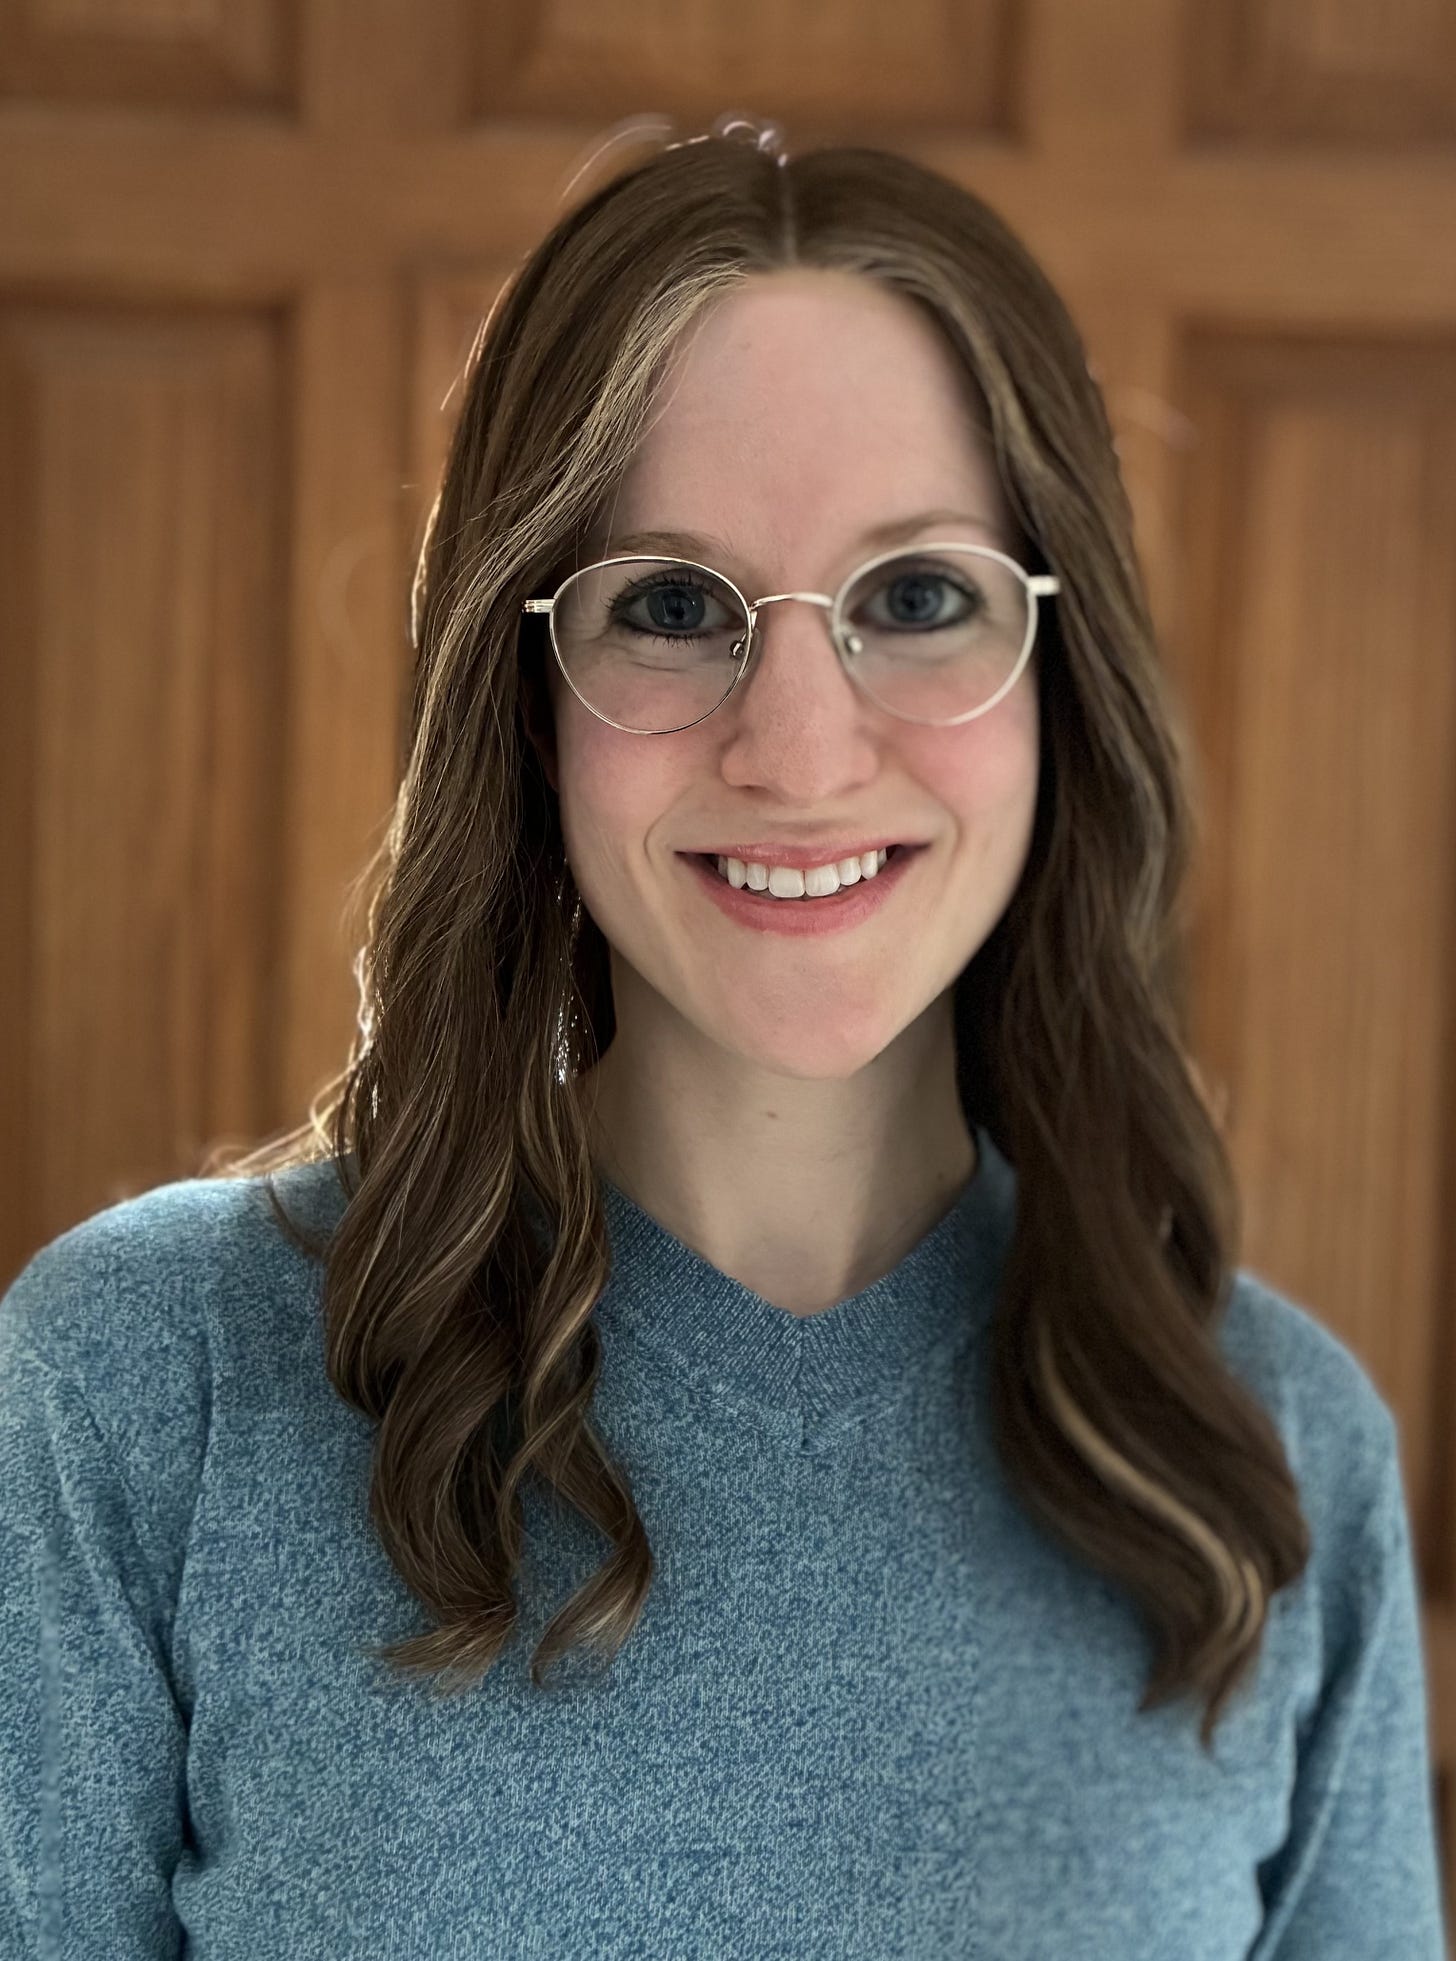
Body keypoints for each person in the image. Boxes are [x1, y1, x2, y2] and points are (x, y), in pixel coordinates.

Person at [0, 117, 1446, 1958]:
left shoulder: (1268, 1451)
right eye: (672, 607)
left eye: (918, 597)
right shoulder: (144, 1386)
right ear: (527, 701)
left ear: (1059, 678)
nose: (800, 749)